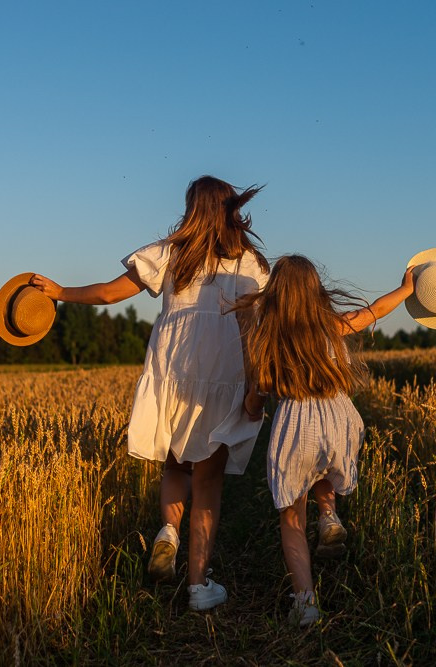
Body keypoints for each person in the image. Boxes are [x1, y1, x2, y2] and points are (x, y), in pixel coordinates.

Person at [29, 176, 269, 611]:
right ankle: (198, 586)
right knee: (208, 482)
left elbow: (108, 292)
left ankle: (168, 533)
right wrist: (257, 384)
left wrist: (61, 292)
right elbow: (255, 328)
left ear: (192, 209)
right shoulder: (247, 263)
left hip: (172, 370)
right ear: (231, 210)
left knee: (175, 463)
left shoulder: (170, 251)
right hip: (222, 374)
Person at [237, 255, 415, 626]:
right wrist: (406, 288)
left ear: (276, 295)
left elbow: (256, 395)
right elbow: (374, 311)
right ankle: (330, 516)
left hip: (294, 423)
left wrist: (252, 410)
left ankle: (305, 602)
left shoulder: (267, 339)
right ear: (316, 291)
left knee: (291, 516)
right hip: (338, 418)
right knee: (325, 466)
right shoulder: (332, 326)